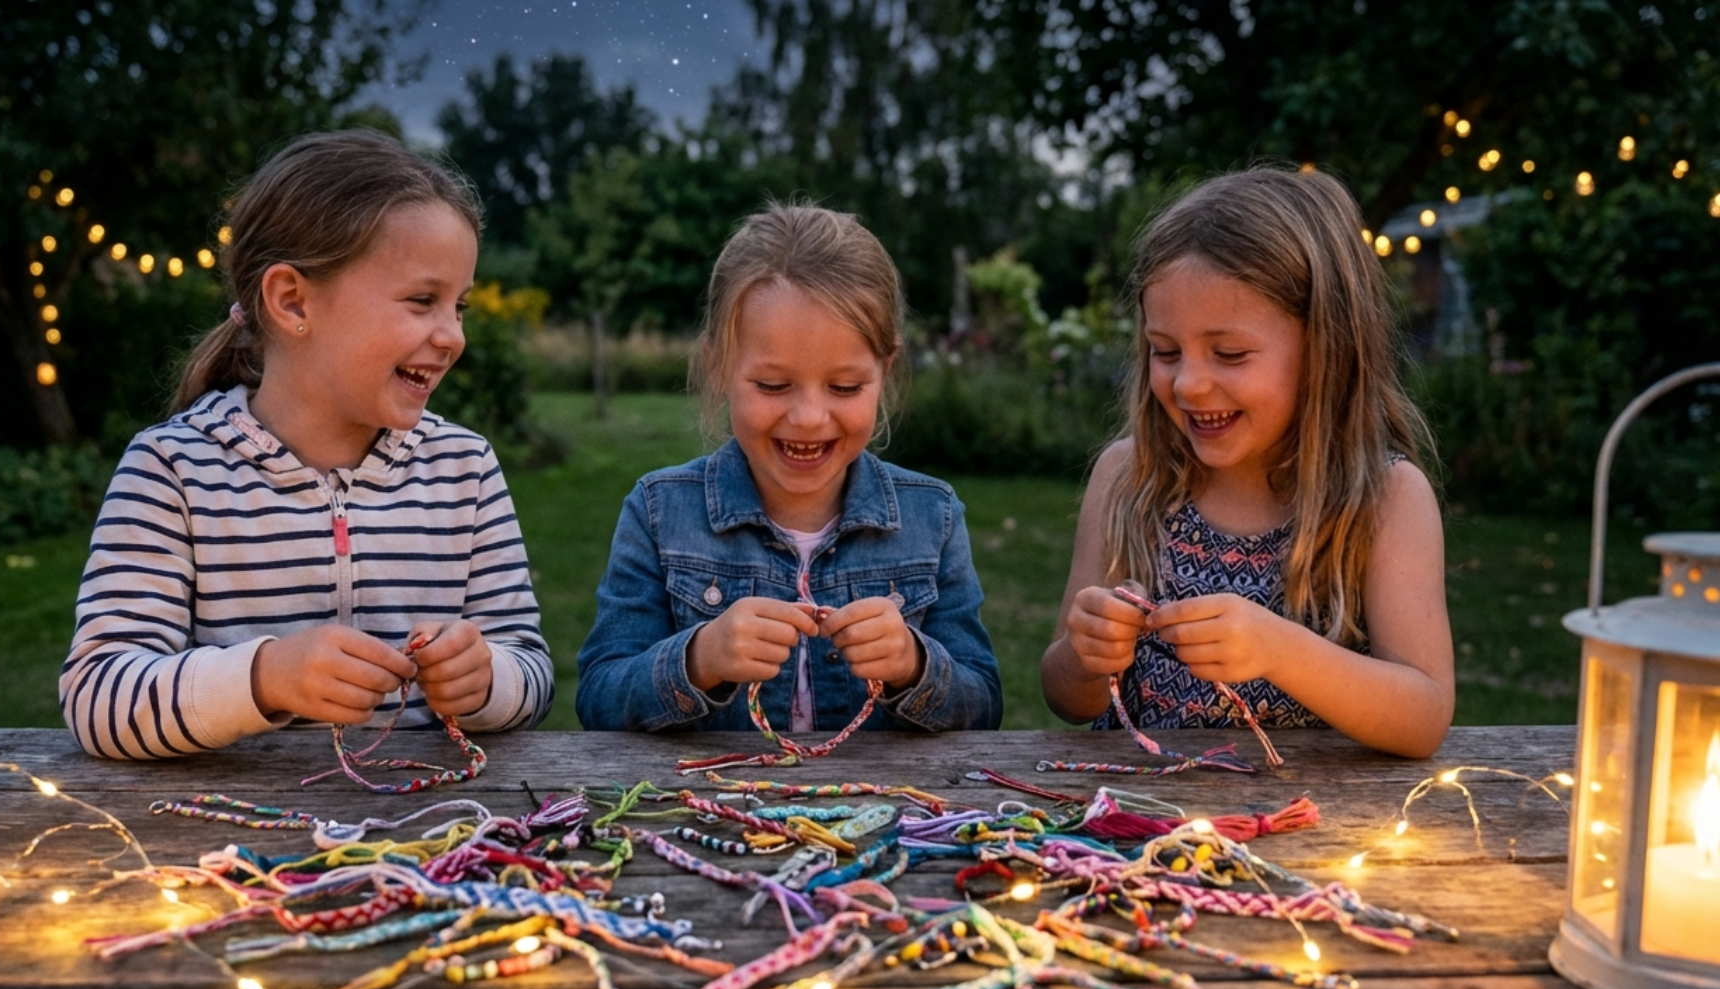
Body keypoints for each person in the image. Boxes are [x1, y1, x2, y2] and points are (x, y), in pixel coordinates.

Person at [61, 130, 552, 760]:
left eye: (459, 306)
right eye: (423, 301)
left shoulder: (465, 470)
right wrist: (264, 678)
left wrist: (487, 681)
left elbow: (531, 671)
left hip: (433, 836)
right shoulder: (171, 472)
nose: (452, 335)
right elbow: (100, 696)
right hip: (231, 843)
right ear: (292, 300)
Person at [1040, 166, 1454, 758]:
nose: (1189, 383)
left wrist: (1279, 649)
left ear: (1324, 346)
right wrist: (1083, 655)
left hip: (1313, 832)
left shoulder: (1384, 498)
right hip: (1142, 829)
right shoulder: (1128, 479)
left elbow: (1424, 717)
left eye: (1229, 354)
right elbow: (1066, 698)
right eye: (1166, 352)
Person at [576, 202, 1003, 735]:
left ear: (885, 373)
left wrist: (914, 666)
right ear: (719, 369)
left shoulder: (931, 518)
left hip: (880, 815)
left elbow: (984, 705)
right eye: (773, 386)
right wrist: (698, 660)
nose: (807, 418)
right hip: (711, 812)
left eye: (845, 387)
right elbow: (598, 698)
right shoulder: (660, 513)